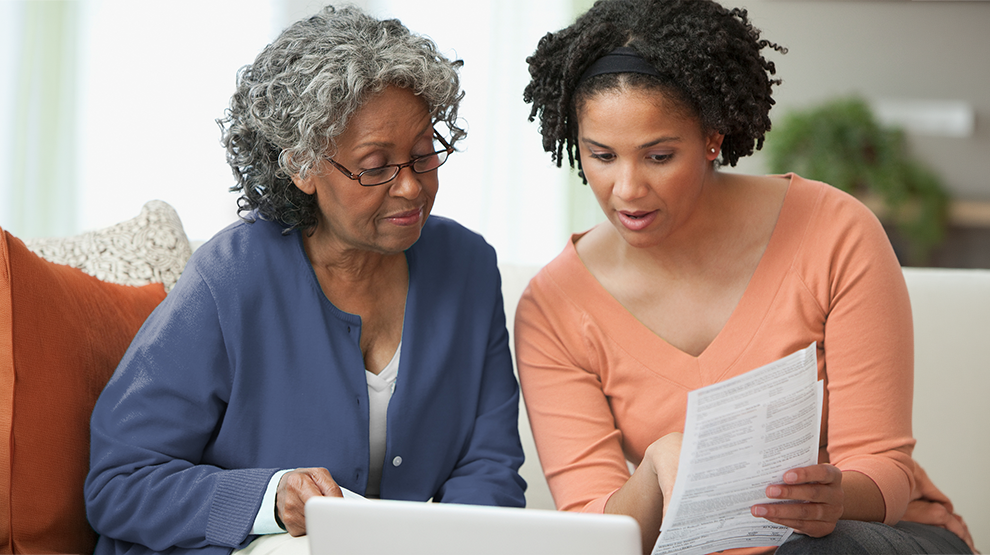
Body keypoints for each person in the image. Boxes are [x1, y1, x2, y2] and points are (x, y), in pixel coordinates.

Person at [515, 1, 974, 554]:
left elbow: (885, 470)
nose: (627, 188)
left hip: (868, 539)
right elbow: (593, 530)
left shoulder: (835, 233)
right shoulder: (555, 307)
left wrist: (832, 497)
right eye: (602, 156)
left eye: (659, 156)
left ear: (713, 137)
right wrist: (655, 469)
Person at [84, 6, 526, 555]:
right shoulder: (230, 277)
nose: (411, 188)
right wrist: (269, 499)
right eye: (375, 165)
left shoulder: (468, 267)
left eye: (423, 155)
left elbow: (487, 467)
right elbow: (118, 483)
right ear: (302, 166)